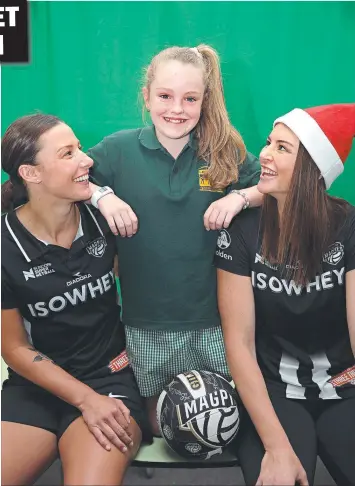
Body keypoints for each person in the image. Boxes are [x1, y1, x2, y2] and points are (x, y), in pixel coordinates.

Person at [86, 44, 262, 433]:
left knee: (224, 414)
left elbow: (271, 185)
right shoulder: (117, 150)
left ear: (204, 101)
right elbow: (75, 179)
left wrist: (240, 195)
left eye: (190, 99)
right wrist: (104, 195)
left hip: (214, 319)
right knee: (157, 421)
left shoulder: (223, 151)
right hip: (145, 319)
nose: (176, 109)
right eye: (165, 96)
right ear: (146, 96)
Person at [1, 114, 151, 486]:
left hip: (110, 380)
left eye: (79, 148)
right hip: (35, 387)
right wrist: (83, 399)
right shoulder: (6, 246)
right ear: (31, 174)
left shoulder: (105, 221)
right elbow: (14, 347)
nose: (86, 160)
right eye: (68, 153)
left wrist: (105, 196)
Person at [215, 103, 355, 485]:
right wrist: (277, 449)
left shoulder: (348, 225)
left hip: (346, 385)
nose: (264, 153)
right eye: (268, 142)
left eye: (282, 147)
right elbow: (239, 345)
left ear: (313, 168)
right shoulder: (242, 231)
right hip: (272, 392)